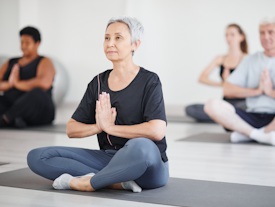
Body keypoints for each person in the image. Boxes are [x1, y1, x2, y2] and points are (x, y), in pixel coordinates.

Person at [27, 16, 169, 193]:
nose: (110, 43)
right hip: (108, 158)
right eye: (107, 38)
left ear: (135, 45)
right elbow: (72, 129)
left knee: (141, 145)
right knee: (37, 156)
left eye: (118, 38)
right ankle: (115, 182)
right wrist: (98, 127)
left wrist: (111, 128)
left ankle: (87, 183)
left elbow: (157, 131)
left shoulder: (149, 81)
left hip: (147, 164)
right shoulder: (98, 83)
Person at [204, 17, 275, 146]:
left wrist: (270, 92)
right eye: (262, 33)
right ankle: (258, 135)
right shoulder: (250, 60)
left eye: (271, 32)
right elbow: (227, 89)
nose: (266, 37)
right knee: (211, 104)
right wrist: (257, 91)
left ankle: (251, 134)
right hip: (251, 115)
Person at [185, 24, 248, 122]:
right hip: (225, 103)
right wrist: (223, 84)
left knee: (244, 108)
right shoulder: (220, 58)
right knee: (191, 109)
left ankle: (225, 117)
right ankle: (223, 117)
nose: (228, 38)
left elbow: (251, 85)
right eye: (226, 35)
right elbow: (202, 78)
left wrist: (230, 83)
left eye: (232, 34)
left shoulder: (247, 59)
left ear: (241, 37)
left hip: (241, 103)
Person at [0, 26, 55, 128]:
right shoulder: (11, 62)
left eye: (27, 43)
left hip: (39, 109)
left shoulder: (44, 61)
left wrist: (17, 83)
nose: (23, 46)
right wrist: (9, 84)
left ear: (37, 43)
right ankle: (15, 120)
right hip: (13, 104)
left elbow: (44, 83)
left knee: (37, 93)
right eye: (22, 43)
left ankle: (5, 119)